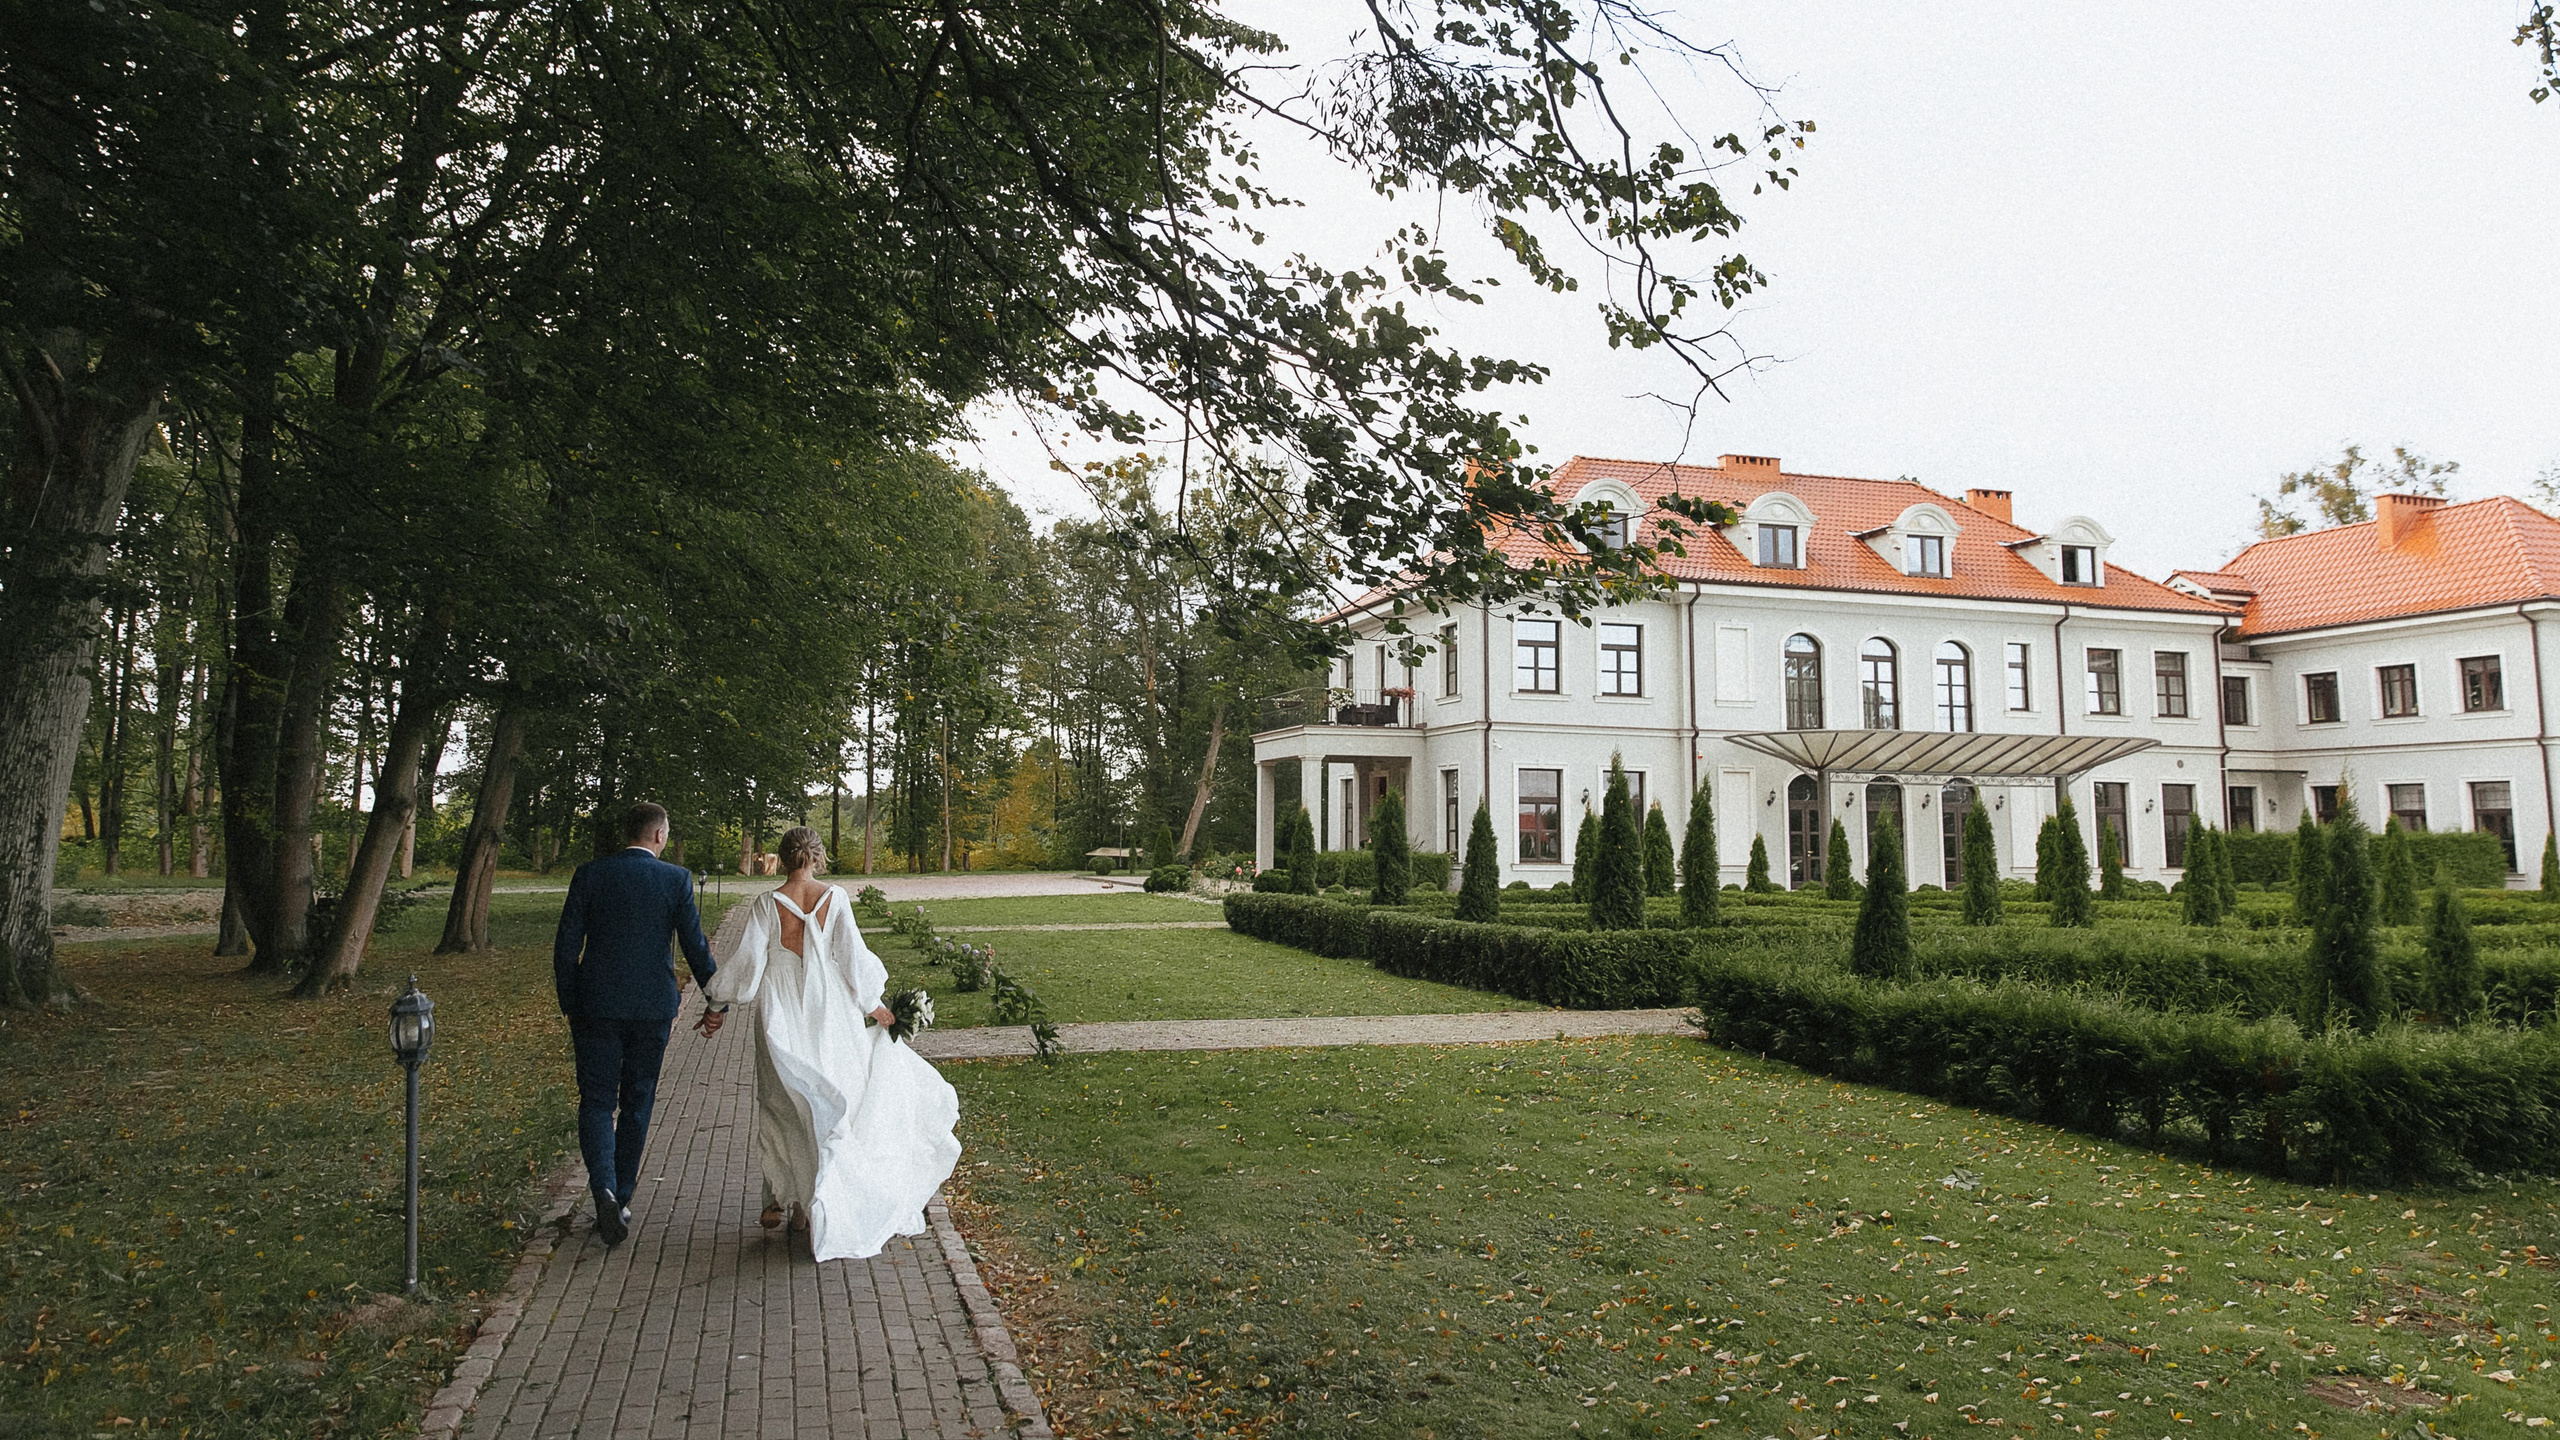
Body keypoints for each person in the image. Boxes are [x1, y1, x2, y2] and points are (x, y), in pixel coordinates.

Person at [700, 826, 961, 1262]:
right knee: (824, 1097)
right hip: (828, 1007)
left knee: (782, 1100)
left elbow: (747, 965)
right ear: (817, 858)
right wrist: (874, 1006)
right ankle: (802, 1204)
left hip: (780, 1006)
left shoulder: (767, 904)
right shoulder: (834, 898)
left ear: (782, 860)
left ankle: (779, 1198)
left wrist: (716, 1003)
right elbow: (851, 956)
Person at [552, 801, 717, 1246]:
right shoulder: (675, 879)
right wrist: (716, 998)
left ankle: (602, 1188)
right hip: (651, 1009)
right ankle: (620, 1198)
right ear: (659, 835)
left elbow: (566, 946)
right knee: (638, 1101)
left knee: (596, 1101)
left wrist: (572, 1002)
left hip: (595, 1007)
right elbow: (694, 945)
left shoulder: (590, 875)